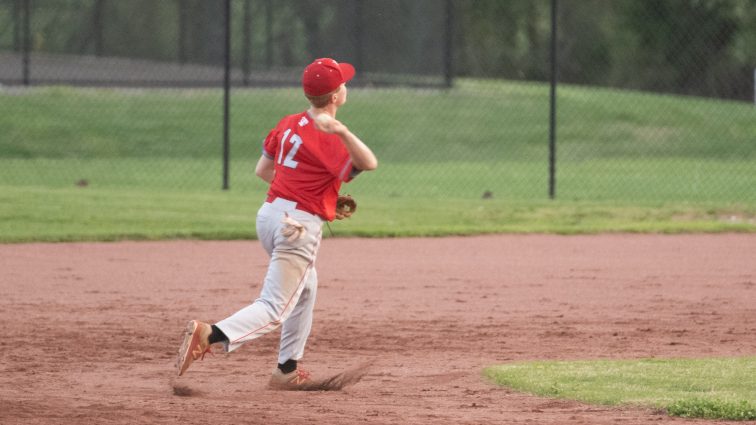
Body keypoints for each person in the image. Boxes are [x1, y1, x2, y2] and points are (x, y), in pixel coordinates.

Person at [176, 58, 377, 390]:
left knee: (306, 288)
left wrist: (316, 193)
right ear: (335, 96)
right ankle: (211, 334)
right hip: (297, 227)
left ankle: (286, 369)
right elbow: (368, 162)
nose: (346, 86)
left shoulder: (288, 123)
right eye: (343, 83)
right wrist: (341, 130)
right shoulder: (329, 135)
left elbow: (264, 171)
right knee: (274, 307)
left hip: (270, 216)